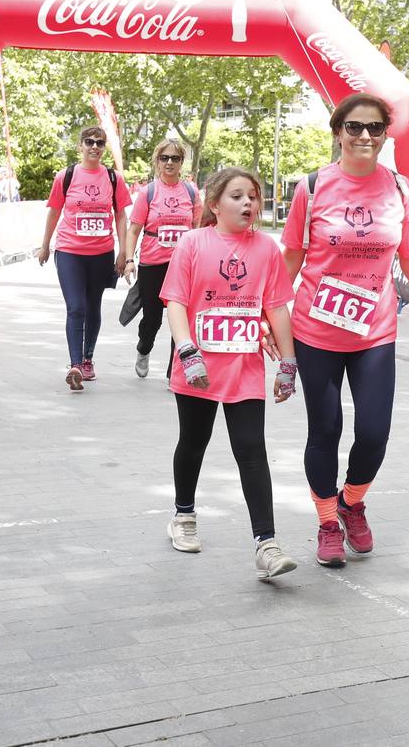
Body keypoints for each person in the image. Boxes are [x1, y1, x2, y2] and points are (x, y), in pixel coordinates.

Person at [282, 92, 409, 568]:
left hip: (374, 331)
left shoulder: (400, 190)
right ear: (338, 132)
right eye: (354, 127)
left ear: (384, 135)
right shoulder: (312, 188)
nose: (364, 136)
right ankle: (326, 522)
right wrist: (267, 314)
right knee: (326, 428)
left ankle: (352, 502)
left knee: (375, 432)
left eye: (375, 128)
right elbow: (292, 257)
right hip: (315, 329)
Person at [159, 166, 299, 580]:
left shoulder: (267, 249)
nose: (248, 203)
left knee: (251, 449)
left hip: (244, 368)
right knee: (194, 441)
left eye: (253, 196)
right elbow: (176, 302)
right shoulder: (192, 243)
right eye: (237, 196)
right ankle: (183, 515)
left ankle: (267, 544)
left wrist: (288, 364)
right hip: (198, 366)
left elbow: (276, 308)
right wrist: (187, 350)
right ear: (215, 203)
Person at [37, 126, 131, 390]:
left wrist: (124, 252)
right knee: (76, 307)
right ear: (80, 146)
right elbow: (54, 212)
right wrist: (45, 245)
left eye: (99, 143)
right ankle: (75, 364)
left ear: (103, 148)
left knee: (93, 307)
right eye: (89, 142)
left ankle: (88, 358)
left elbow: (121, 215)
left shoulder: (114, 178)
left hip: (101, 253)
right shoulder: (65, 176)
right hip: (69, 251)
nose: (94, 146)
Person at [123, 139, 200, 379]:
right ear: (157, 161)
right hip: (153, 263)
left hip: (182, 266)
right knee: (152, 319)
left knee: (182, 320)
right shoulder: (149, 192)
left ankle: (173, 372)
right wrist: (128, 260)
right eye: (164, 158)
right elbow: (134, 230)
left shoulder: (191, 191)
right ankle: (143, 349)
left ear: (181, 163)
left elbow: (198, 227)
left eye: (175, 158)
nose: (169, 162)